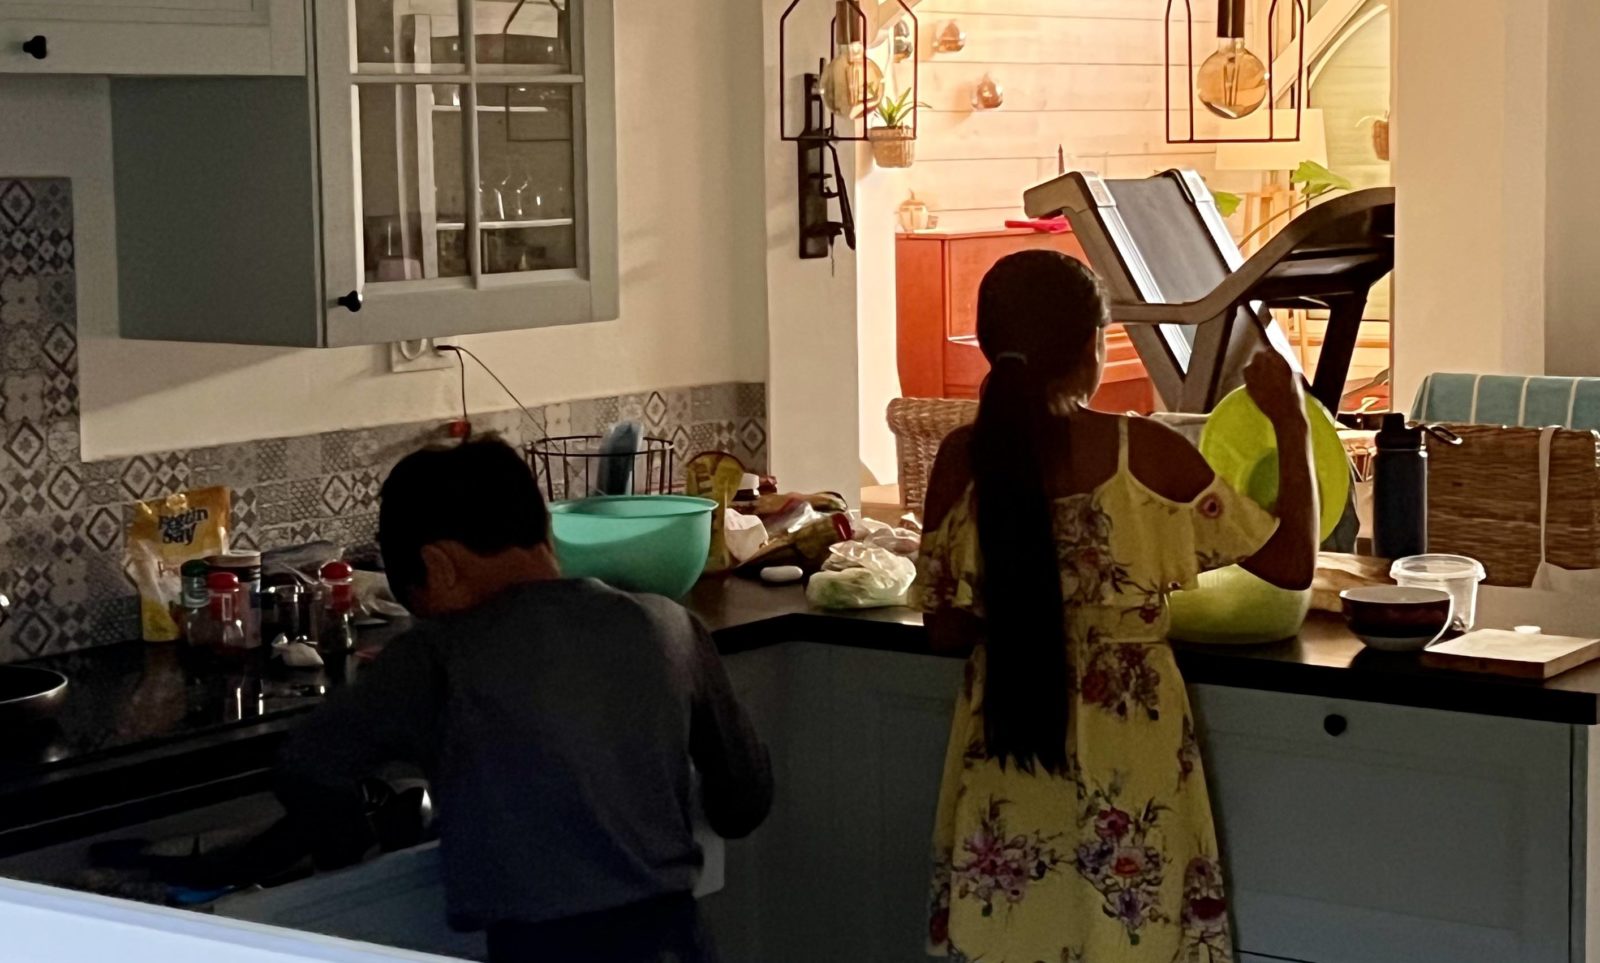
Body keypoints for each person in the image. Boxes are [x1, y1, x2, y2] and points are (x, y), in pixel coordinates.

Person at [916, 251, 1317, 962]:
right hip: (1130, 741)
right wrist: (1290, 420)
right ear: (1090, 349)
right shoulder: (1147, 455)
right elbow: (1290, 564)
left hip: (1007, 734)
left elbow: (944, 627)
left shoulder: (961, 458)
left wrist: (1023, 608)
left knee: (1011, 933)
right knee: (1134, 934)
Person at [277, 437, 772, 963]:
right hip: (677, 942)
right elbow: (744, 802)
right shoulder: (669, 625)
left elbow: (306, 765)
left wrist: (351, 843)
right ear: (548, 534)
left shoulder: (437, 655)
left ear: (438, 566)